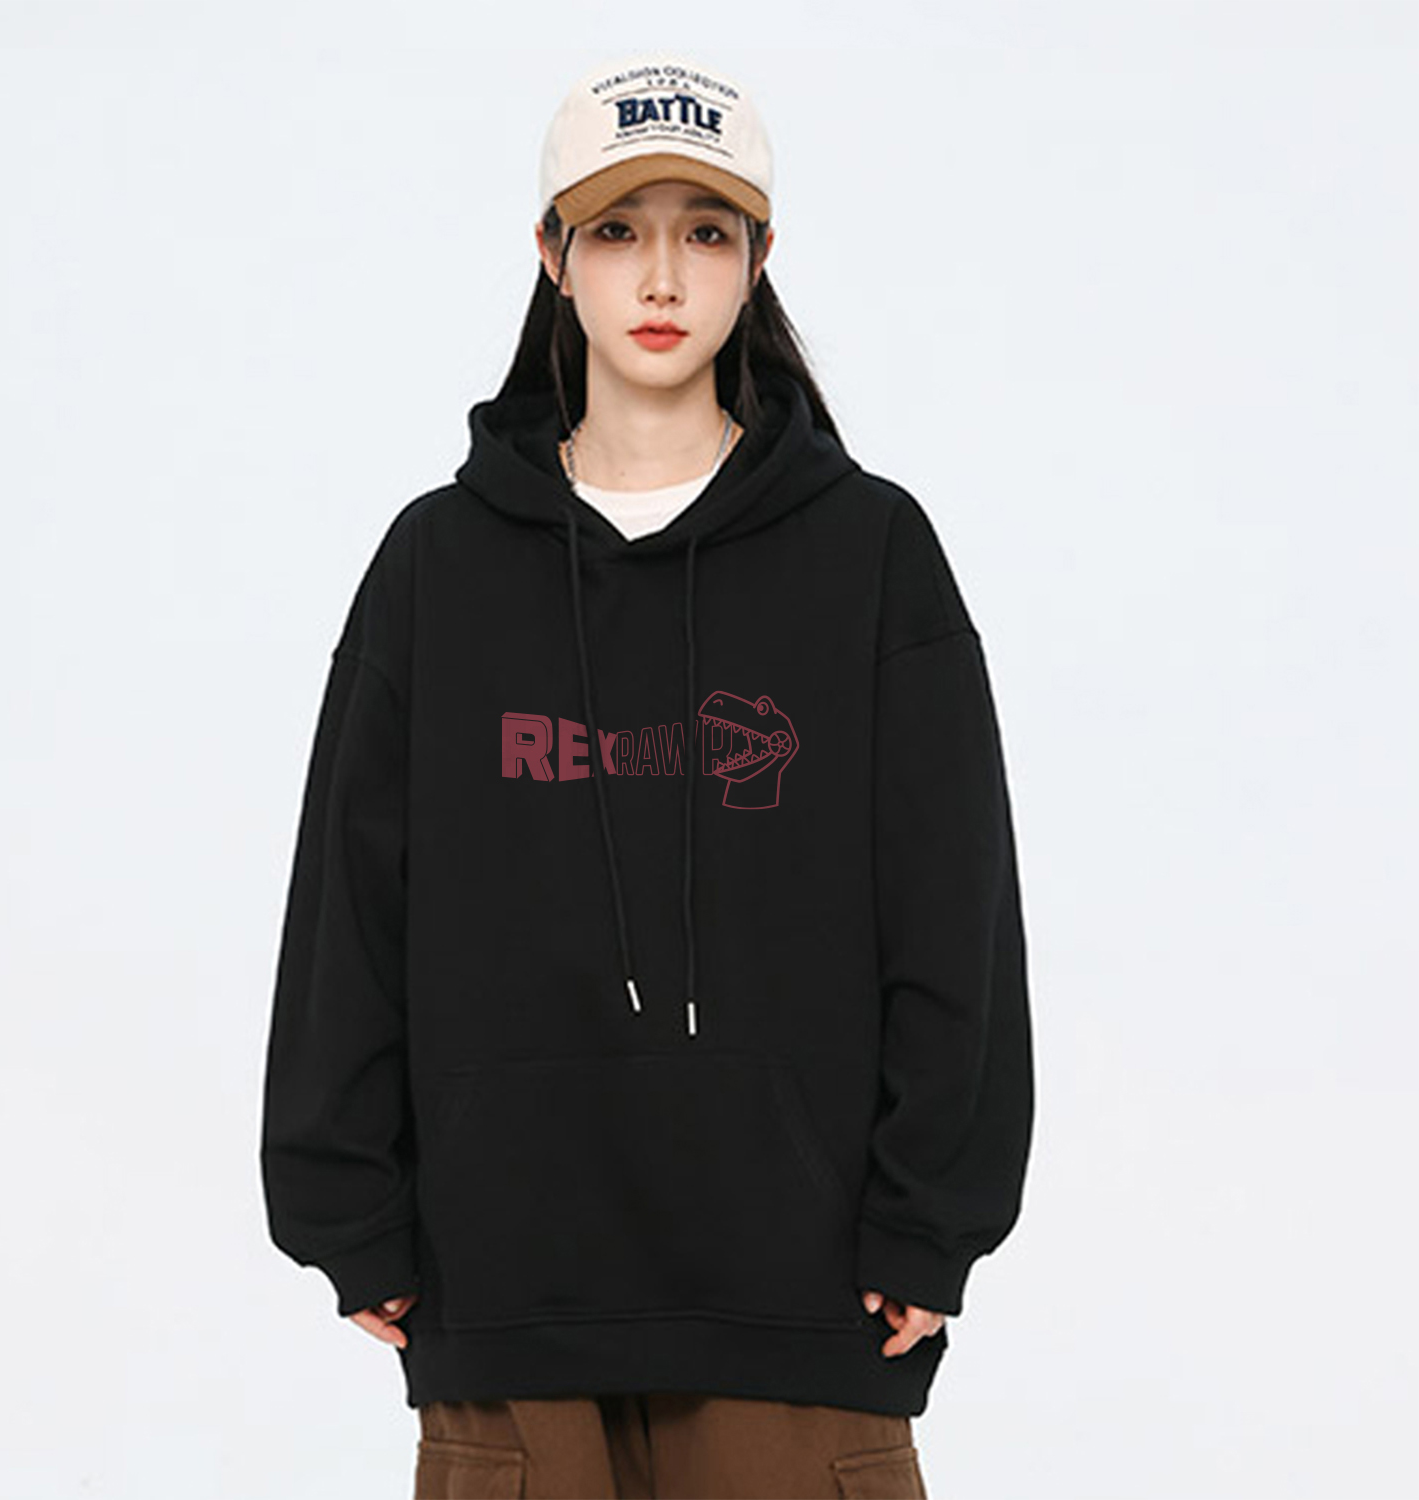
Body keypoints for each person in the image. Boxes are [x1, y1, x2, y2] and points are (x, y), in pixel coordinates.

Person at [259, 49, 1035, 1500]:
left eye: (705, 232)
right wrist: (345, 1203)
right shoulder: (438, 566)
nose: (662, 276)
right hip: (506, 1289)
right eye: (616, 230)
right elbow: (347, 910)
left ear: (758, 260)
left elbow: (956, 910)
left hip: (803, 1305)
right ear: (553, 256)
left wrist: (935, 1215)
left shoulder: (870, 555)